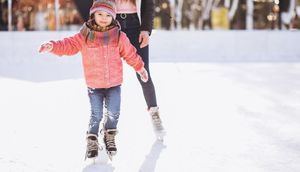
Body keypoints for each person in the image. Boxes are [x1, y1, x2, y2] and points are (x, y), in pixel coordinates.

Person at [38, 0, 149, 159]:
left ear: (113, 16)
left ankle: (109, 134)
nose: (103, 18)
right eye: (100, 14)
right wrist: (53, 46)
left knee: (114, 112)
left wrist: (140, 67)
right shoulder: (85, 35)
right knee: (96, 114)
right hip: (94, 85)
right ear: (93, 15)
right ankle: (92, 138)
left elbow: (130, 54)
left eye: (107, 15)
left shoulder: (119, 36)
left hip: (114, 83)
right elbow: (68, 45)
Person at [115, 0, 166, 139]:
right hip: (110, 23)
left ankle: (154, 113)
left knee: (143, 72)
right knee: (109, 73)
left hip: (135, 25)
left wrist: (145, 29)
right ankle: (107, 126)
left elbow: (149, 4)